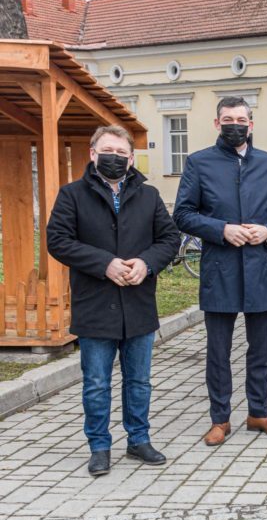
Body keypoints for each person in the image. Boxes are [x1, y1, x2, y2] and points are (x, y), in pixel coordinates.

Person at [47, 125, 180, 476]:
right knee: (96, 383)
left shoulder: (149, 195)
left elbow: (169, 239)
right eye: (108, 151)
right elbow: (58, 240)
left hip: (138, 304)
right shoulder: (72, 195)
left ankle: (138, 439)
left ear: (131, 158)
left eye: (122, 153)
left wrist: (146, 263)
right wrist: (104, 263)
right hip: (95, 304)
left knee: (139, 381)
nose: (115, 158)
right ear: (93, 153)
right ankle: (99, 446)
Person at [173, 96, 267, 446]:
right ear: (217, 124)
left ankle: (259, 412)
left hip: (260, 268)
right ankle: (220, 419)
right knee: (218, 352)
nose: (235, 125)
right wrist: (222, 229)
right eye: (228, 119)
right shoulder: (199, 163)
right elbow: (182, 214)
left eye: (241, 120)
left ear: (251, 124)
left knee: (261, 350)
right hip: (221, 270)